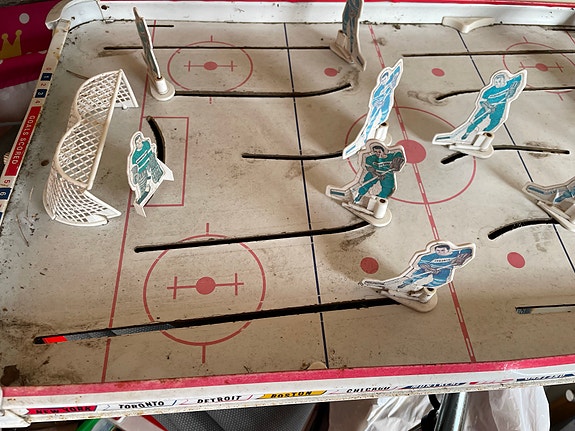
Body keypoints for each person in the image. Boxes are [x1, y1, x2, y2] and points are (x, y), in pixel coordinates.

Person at [397, 243, 474, 291]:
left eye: (442, 250)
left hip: (445, 269)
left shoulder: (456, 253)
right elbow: (422, 264)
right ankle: (405, 283)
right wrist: (429, 269)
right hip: (429, 268)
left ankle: (427, 288)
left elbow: (468, 249)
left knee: (441, 279)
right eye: (438, 250)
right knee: (416, 275)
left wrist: (463, 257)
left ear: (448, 250)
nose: (440, 252)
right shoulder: (430, 256)